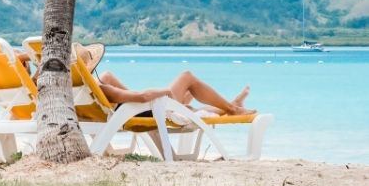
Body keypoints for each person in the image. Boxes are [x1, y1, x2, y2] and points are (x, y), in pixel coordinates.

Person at [76, 43, 255, 116]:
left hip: (138, 110)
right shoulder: (103, 88)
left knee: (189, 109)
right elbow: (141, 98)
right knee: (187, 77)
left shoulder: (89, 87)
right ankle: (232, 108)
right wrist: (164, 91)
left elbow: (133, 95)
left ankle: (231, 105)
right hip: (148, 112)